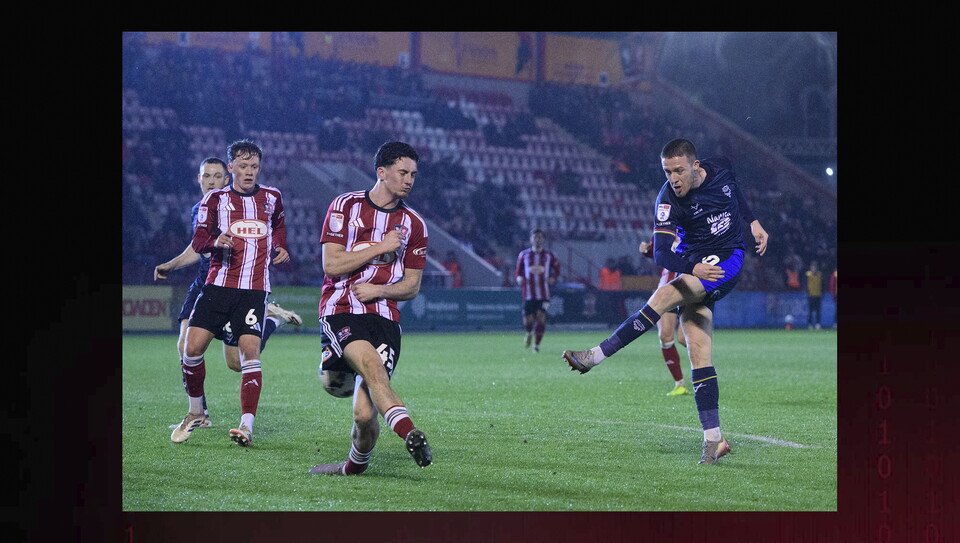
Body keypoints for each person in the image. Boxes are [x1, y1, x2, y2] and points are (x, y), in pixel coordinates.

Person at [562, 138, 769, 464]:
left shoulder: (721, 167)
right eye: (667, 171)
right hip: (696, 263)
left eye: (679, 171)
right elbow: (660, 253)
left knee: (665, 294)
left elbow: (736, 190)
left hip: (727, 260)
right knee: (698, 352)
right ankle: (714, 439)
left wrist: (754, 221)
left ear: (696, 167)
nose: (673, 178)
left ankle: (595, 355)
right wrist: (691, 266)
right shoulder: (667, 200)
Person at [309, 141, 432, 475]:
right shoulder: (344, 206)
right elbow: (331, 265)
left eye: (413, 174)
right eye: (402, 172)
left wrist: (379, 289)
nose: (409, 180)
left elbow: (412, 285)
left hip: (386, 319)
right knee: (373, 369)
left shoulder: (414, 224)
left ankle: (353, 467)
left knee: (364, 416)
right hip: (342, 308)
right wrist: (381, 246)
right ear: (382, 172)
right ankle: (411, 433)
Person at [156, 157, 302, 431]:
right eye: (206, 175)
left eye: (216, 176)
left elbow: (267, 230)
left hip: (239, 286)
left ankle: (271, 320)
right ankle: (200, 412)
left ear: (226, 178)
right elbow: (195, 247)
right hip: (205, 284)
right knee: (186, 345)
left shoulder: (242, 204)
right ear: (198, 179)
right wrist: (171, 265)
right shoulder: (199, 208)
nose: (211, 180)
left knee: (236, 362)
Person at [639, 232, 690, 396]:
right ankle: (680, 384)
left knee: (684, 338)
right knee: (665, 337)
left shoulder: (694, 224)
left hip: (690, 288)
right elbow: (657, 253)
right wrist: (647, 251)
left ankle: (704, 373)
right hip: (667, 288)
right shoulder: (662, 231)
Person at [516, 229, 561, 354]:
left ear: (543, 240)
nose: (538, 239)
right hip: (528, 294)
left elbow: (557, 270)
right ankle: (529, 332)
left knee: (541, 317)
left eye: (540, 237)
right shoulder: (524, 255)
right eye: (535, 237)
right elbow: (518, 272)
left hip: (544, 294)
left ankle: (536, 345)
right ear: (531, 239)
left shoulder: (549, 255)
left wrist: (553, 278)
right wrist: (519, 278)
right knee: (528, 322)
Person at [805, 260, 823, 329]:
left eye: (814, 267)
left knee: (818, 311)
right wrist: (806, 292)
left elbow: (823, 284)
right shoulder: (807, 275)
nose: (813, 269)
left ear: (816, 268)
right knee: (810, 311)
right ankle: (810, 324)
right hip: (810, 295)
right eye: (812, 267)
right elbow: (805, 284)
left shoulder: (819, 275)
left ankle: (818, 324)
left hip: (818, 295)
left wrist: (822, 293)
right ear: (810, 268)